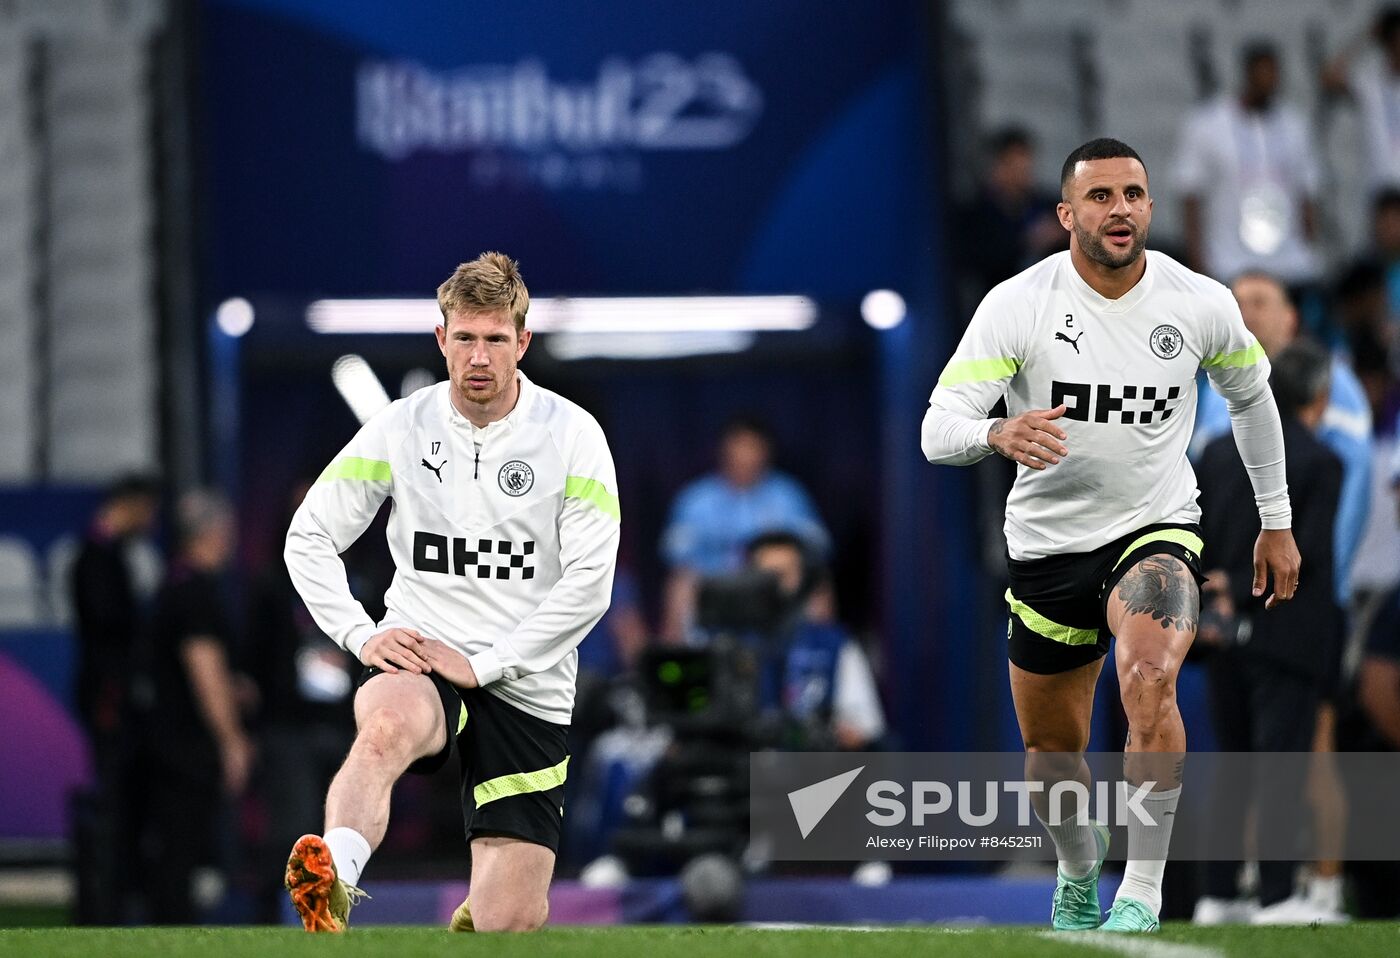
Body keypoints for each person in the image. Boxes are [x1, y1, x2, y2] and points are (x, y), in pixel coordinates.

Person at [921, 138, 1300, 933]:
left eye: (1133, 193)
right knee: (1052, 755)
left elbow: (1253, 400)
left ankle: (1142, 892)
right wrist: (998, 433)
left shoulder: (1198, 300)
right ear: (1066, 215)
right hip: (1049, 547)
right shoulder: (1017, 304)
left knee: (1149, 677)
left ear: (1151, 208)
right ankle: (1077, 861)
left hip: (1156, 527)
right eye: (1100, 197)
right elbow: (936, 427)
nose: (1119, 207)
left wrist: (1276, 520)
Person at [282, 252, 619, 933]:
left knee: (508, 924)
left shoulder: (573, 436)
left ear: (522, 343)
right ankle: (333, 881)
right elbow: (307, 537)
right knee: (383, 729)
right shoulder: (401, 427)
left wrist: (489, 664)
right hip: (424, 652)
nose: (479, 356)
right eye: (464, 337)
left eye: (496, 339)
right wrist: (359, 632)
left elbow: (591, 585)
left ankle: (480, 916)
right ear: (441, 339)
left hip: (529, 684)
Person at [1194, 340, 1343, 924]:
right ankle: (1278, 896)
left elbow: (1198, 540)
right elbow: (1311, 562)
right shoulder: (1320, 462)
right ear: (1320, 398)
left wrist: (1220, 598)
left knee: (1232, 765)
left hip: (1220, 635)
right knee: (1281, 766)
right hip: (1287, 638)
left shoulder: (1215, 453)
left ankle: (1218, 895)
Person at [1190, 272, 1371, 609]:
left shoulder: (1331, 384)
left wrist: (1320, 583)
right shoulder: (1214, 390)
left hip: (1305, 589)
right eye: (1238, 304)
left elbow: (1352, 492)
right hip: (1228, 592)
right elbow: (1201, 492)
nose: (1246, 315)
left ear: (1291, 318)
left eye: (1259, 303)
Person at [138, 490, 253, 924]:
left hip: (166, 739)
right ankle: (174, 934)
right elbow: (204, 668)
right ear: (213, 532)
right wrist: (231, 739)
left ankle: (172, 926)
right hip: (186, 745)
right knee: (182, 847)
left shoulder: (175, 583)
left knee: (177, 846)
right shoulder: (196, 592)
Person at [69, 473, 159, 924]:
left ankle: (118, 903)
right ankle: (101, 909)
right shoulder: (94, 558)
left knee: (126, 804)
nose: (150, 520)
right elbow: (108, 626)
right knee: (111, 803)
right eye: (146, 509)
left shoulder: (114, 556)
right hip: (109, 698)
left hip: (119, 698)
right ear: (129, 504)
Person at [660, 418, 828, 642]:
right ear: (723, 450)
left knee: (818, 581)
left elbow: (815, 555)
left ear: (766, 452)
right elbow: (680, 568)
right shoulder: (696, 500)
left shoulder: (788, 495)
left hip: (773, 600)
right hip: (717, 601)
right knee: (680, 582)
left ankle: (820, 651)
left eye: (752, 447)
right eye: (738, 446)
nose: (744, 455)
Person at [1175, 42, 1322, 296]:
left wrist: (1307, 244)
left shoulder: (1294, 126)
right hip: (1229, 263)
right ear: (1247, 73)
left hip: (1290, 265)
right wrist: (1198, 263)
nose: (1268, 81)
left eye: (1273, 73)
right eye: (1261, 72)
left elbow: (1307, 189)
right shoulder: (1208, 124)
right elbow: (1190, 192)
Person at [743, 531, 885, 751]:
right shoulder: (722, 643)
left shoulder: (833, 644)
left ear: (802, 577)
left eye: (785, 573)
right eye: (767, 573)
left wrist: (825, 733)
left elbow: (863, 729)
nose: (776, 583)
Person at [1323, 5, 1400, 194]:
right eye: (1395, 41)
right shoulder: (1370, 82)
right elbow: (1329, 76)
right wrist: (1366, 37)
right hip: (1381, 191)